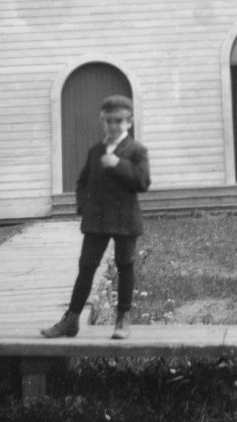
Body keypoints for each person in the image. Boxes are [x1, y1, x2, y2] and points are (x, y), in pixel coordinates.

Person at [41, 95, 150, 340]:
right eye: (109, 121)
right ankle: (71, 320)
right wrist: (84, 206)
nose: (113, 126)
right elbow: (81, 183)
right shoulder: (96, 151)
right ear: (103, 122)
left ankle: (123, 319)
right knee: (86, 268)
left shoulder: (136, 151)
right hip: (97, 220)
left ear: (129, 122)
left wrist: (118, 163)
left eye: (118, 121)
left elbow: (143, 182)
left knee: (125, 268)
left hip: (125, 220)